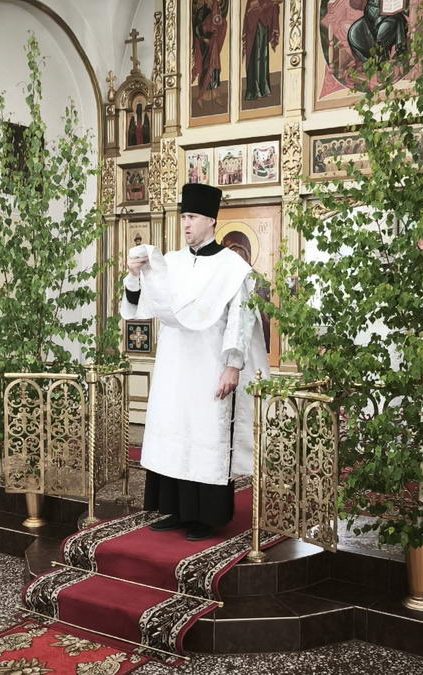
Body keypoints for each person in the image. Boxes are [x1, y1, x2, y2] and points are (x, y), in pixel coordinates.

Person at [122, 183, 269, 541]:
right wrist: (134, 274)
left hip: (209, 364)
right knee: (174, 429)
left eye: (192, 217)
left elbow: (240, 319)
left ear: (211, 221)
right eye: (184, 217)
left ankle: (206, 518)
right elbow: (140, 306)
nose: (185, 224)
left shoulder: (232, 267)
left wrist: (233, 366)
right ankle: (176, 511)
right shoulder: (170, 263)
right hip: (174, 364)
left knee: (204, 432)